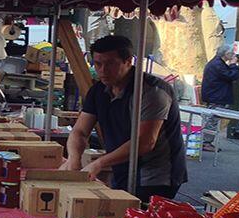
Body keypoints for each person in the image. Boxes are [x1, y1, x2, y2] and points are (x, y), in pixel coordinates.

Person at [63, 34, 188, 202]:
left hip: (156, 175)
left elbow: (144, 142)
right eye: (98, 64)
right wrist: (73, 158)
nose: (103, 70)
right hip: (122, 167)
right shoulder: (98, 90)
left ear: (128, 61)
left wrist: (99, 163)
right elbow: (79, 131)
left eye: (110, 64)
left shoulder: (152, 92)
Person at [201, 45, 239, 152]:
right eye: (231, 54)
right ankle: (206, 142)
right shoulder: (218, 65)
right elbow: (232, 75)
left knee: (212, 119)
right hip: (216, 97)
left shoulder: (216, 63)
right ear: (226, 54)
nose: (233, 56)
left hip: (214, 95)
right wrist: (233, 65)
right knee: (212, 120)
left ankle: (206, 141)